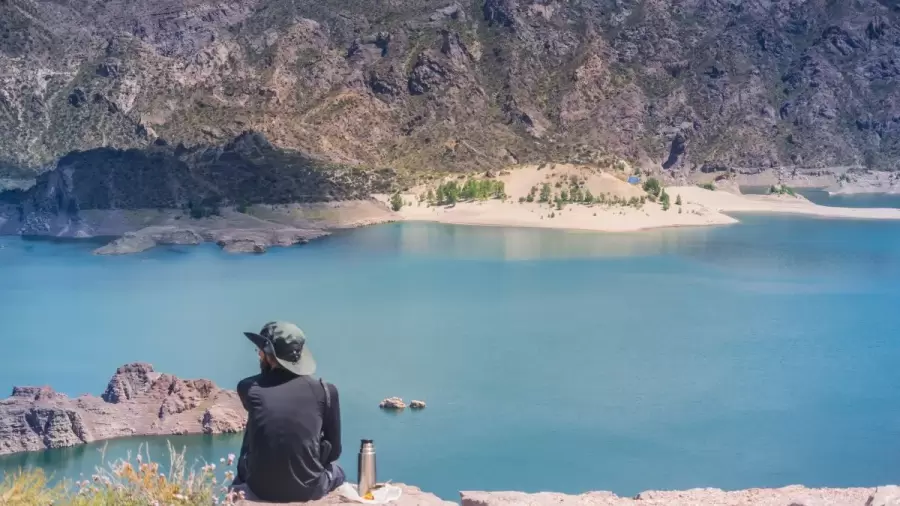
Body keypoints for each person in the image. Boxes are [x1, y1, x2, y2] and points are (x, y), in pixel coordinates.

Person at [231, 321, 344, 502]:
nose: (259, 355)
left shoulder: (248, 388)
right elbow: (334, 451)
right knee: (338, 471)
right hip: (310, 489)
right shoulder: (326, 391)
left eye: (260, 351)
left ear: (268, 355)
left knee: (252, 431)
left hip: (259, 488)